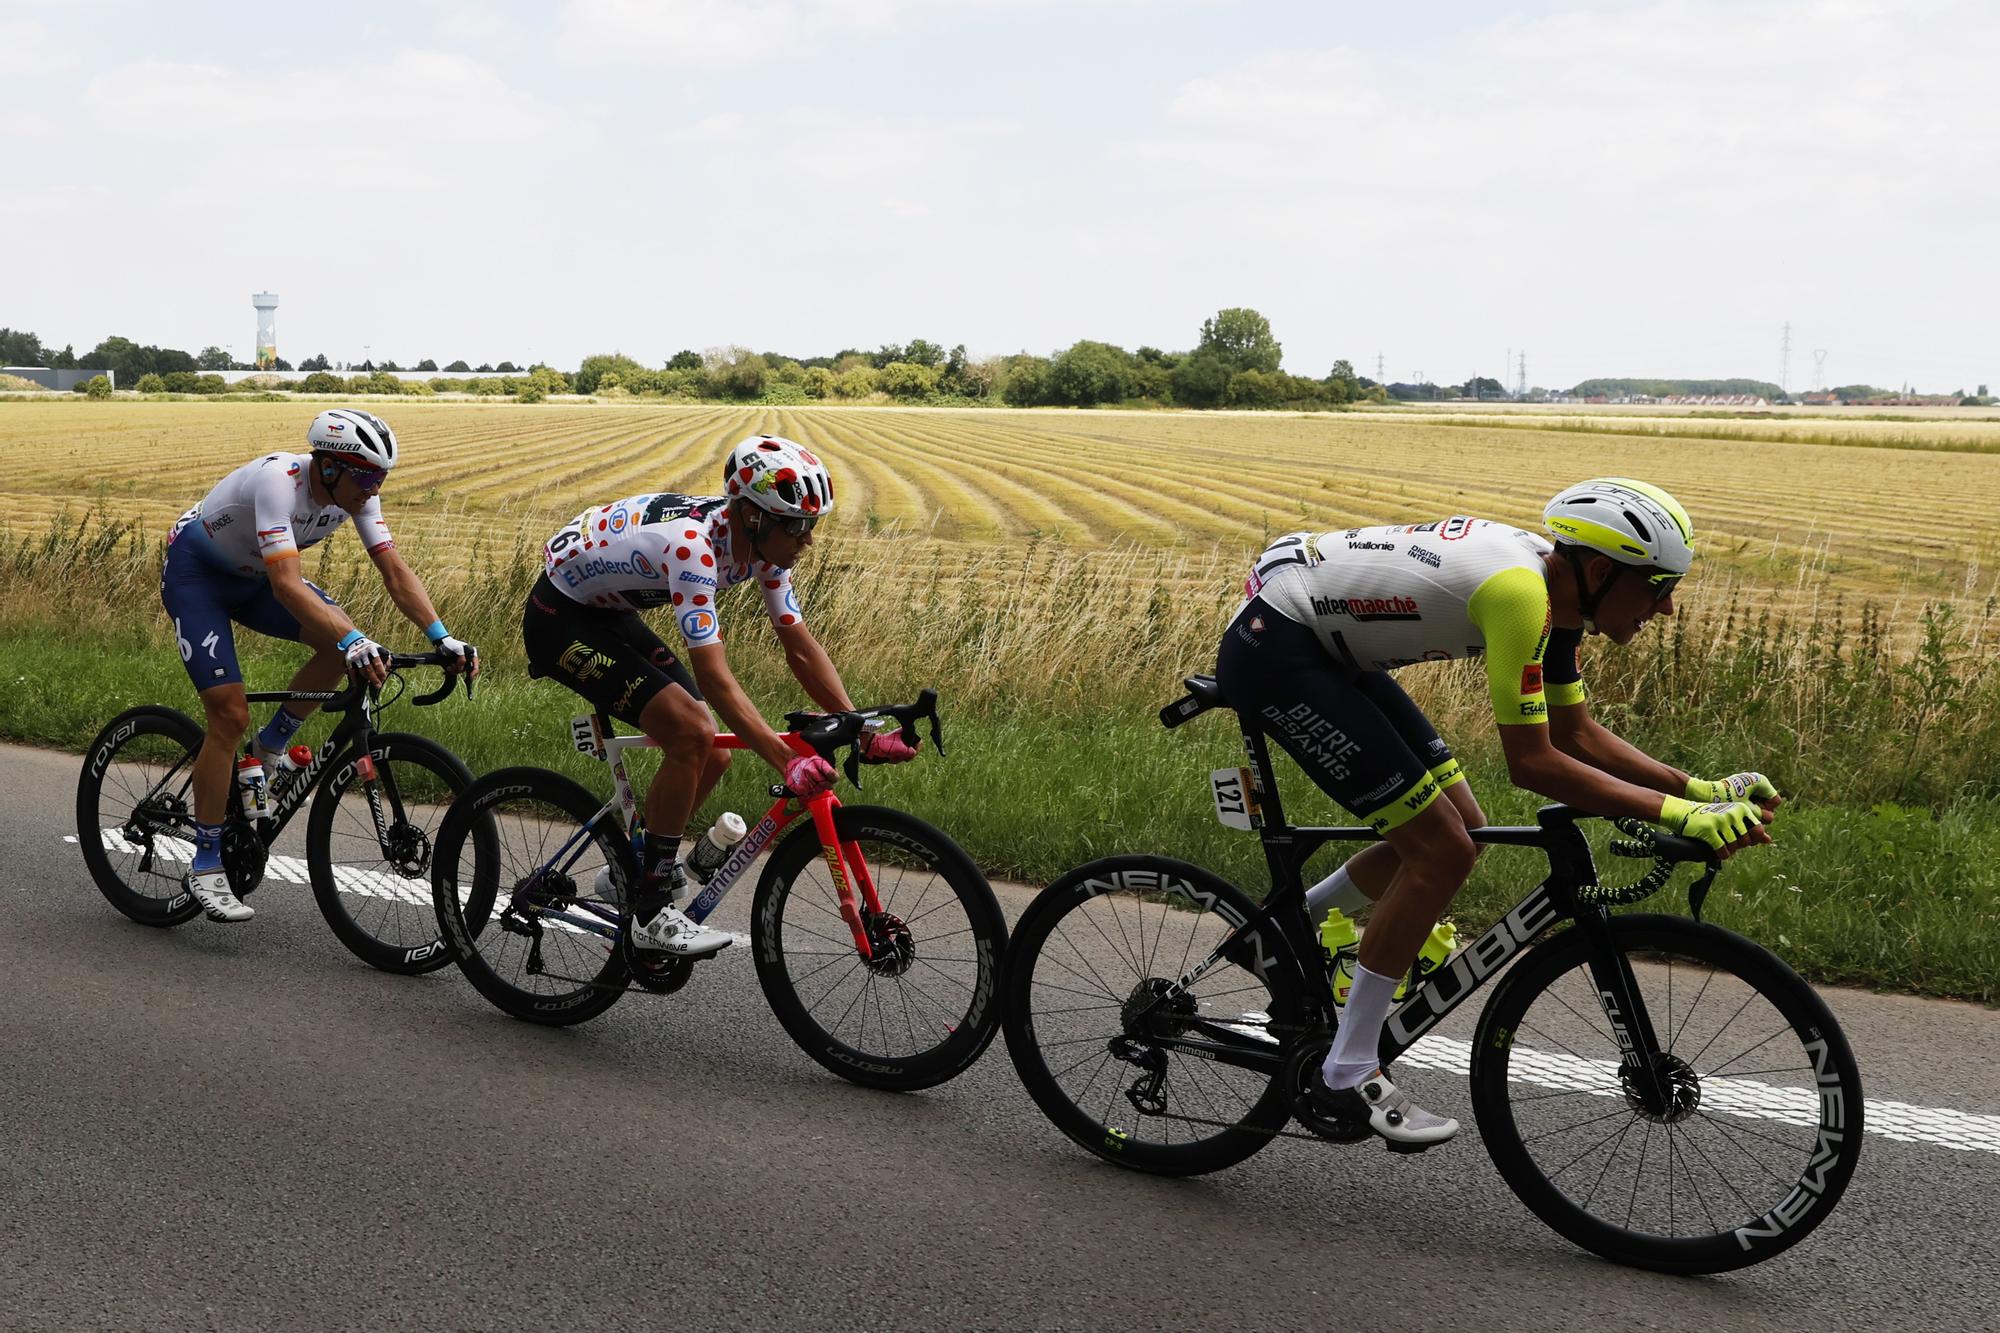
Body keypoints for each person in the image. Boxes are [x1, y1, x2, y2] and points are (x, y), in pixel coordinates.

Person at [1213, 478, 1777, 1147]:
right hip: (1278, 642)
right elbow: (1532, 762)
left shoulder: (1564, 599)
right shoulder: (1522, 595)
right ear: (1601, 571)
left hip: (1325, 641)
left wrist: (1698, 791)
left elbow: (1578, 734)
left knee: (1462, 828)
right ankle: (1347, 1067)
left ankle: (1282, 930)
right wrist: (1677, 815)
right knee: (1441, 848)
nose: (1670, 607)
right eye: (1659, 586)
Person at [521, 433, 917, 957]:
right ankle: (649, 907)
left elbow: (798, 646)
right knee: (692, 731)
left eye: (812, 525)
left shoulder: (762, 550)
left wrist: (859, 727)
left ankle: (632, 873)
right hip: (559, 617)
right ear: (754, 518)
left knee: (715, 753)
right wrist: (784, 761)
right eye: (796, 526)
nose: (807, 540)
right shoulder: (693, 547)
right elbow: (714, 676)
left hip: (609, 611)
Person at [159, 409, 478, 923]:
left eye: (381, 478)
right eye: (367, 475)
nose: (374, 488)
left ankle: (269, 750)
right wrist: (353, 639)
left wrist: (442, 637)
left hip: (256, 577)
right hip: (200, 576)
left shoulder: (358, 497)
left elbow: (395, 573)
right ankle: (206, 861)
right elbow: (287, 586)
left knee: (339, 649)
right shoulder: (278, 483)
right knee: (228, 716)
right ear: (329, 466)